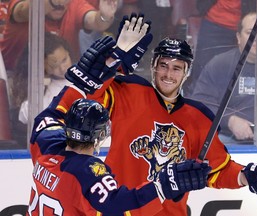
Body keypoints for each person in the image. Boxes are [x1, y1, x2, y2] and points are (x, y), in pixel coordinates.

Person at [64, 13, 257, 216]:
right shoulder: (127, 91)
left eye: (176, 68)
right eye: (163, 65)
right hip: (120, 211)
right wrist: (116, 58)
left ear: (187, 72)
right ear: (152, 65)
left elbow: (219, 171)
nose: (168, 74)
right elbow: (90, 95)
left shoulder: (198, 117)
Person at [27, 36, 211, 215]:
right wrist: (166, 185)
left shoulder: (45, 145)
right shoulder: (87, 171)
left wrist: (82, 83)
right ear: (100, 137)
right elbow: (119, 206)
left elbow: (51, 114)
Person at [187, 12, 257, 144]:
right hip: (227, 138)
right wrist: (229, 120)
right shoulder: (219, 64)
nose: (256, 38)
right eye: (250, 32)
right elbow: (200, 103)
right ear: (238, 37)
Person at [0, 0, 118, 72]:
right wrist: (53, 2)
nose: (60, 5)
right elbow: (23, 11)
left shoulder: (74, 4)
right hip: (15, 77)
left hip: (60, 78)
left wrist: (105, 16)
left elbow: (95, 22)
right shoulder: (24, 4)